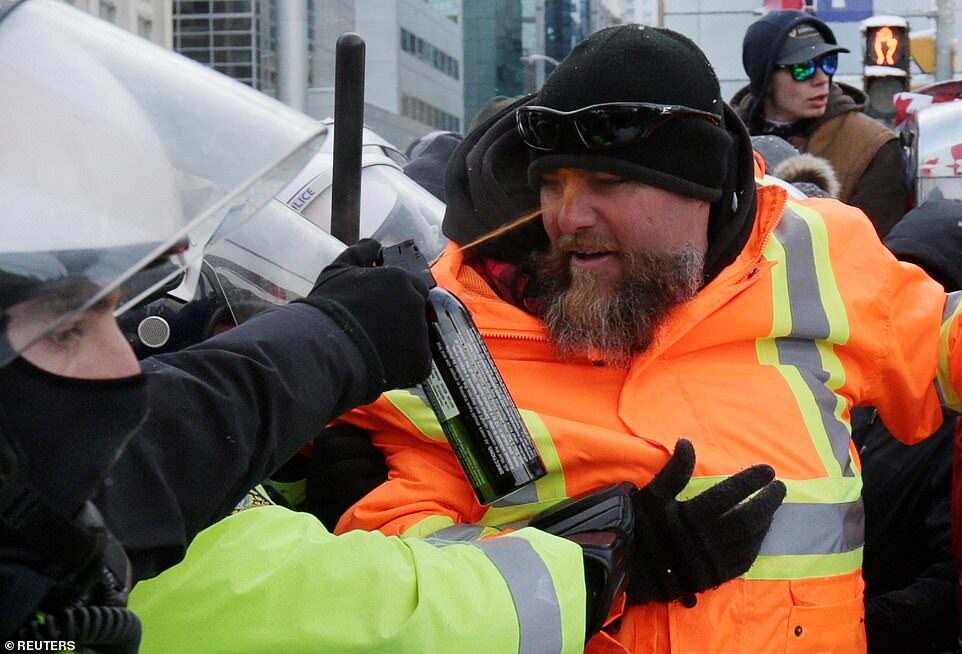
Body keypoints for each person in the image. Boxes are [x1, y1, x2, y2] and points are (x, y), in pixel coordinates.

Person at [2, 4, 786, 652]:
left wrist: (303, 434)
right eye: (69, 326)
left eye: (114, 306)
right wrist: (603, 565)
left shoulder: (61, 528)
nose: (129, 365)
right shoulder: (84, 554)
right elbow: (364, 608)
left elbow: (167, 450)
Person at [325, 24, 962, 654]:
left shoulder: (817, 251)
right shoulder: (451, 332)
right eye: (553, 184)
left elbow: (938, 345)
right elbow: (396, 575)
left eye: (607, 184)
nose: (567, 218)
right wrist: (605, 561)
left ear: (701, 188)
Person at [851, 198, 960, 654]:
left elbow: (947, 583)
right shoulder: (846, 384)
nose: (907, 306)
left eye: (929, 290)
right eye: (894, 278)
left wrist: (854, 626)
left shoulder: (949, 428)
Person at [731, 10, 907, 237]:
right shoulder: (728, 139)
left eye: (828, 63)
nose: (821, 78)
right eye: (803, 68)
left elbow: (877, 253)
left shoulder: (873, 146)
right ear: (765, 77)